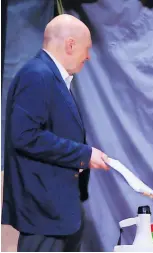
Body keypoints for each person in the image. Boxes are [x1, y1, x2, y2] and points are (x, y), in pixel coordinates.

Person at [2, 14, 109, 252]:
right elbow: (25, 135)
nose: (88, 56)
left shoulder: (52, 77)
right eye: (87, 49)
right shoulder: (37, 75)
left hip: (58, 211)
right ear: (70, 44)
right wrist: (83, 154)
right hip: (43, 212)